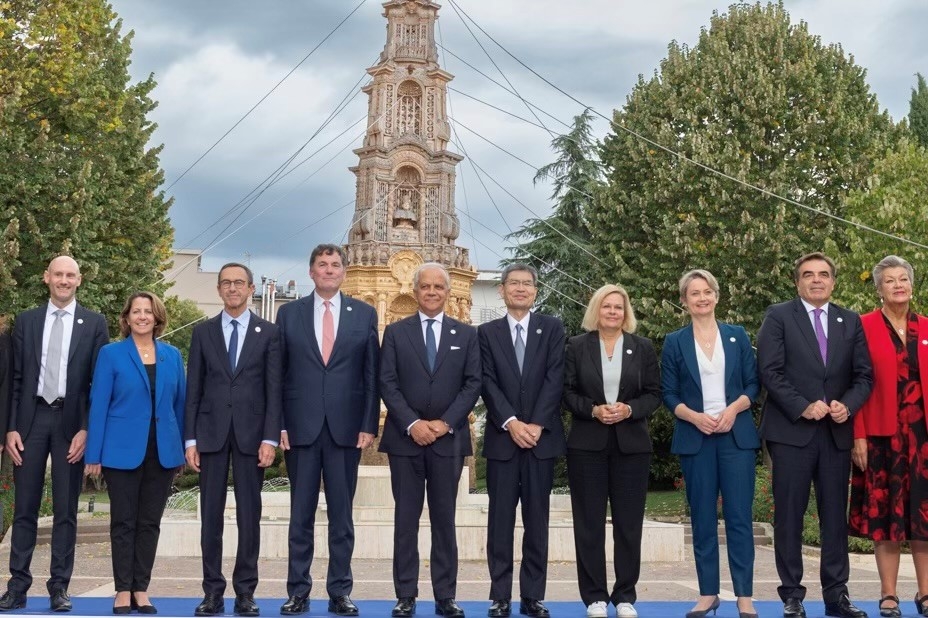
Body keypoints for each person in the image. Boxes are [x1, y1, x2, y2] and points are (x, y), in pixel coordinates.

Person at [757, 252, 873, 618]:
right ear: (798, 282)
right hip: (792, 431)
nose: (817, 280)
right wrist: (803, 405)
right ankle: (792, 595)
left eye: (824, 274)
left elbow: (864, 376)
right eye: (808, 274)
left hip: (836, 433)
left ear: (833, 282)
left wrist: (848, 405)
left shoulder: (849, 321)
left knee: (834, 517)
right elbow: (770, 372)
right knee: (789, 516)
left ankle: (836, 595)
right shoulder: (778, 316)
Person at [275, 244, 380, 617]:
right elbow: (278, 376)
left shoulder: (364, 315)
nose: (329, 270)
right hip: (299, 430)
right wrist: (279, 426)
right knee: (299, 515)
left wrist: (369, 424)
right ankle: (298, 591)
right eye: (322, 264)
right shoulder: (288, 315)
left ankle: (340, 591)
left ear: (344, 271)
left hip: (346, 431)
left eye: (336, 264)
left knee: (342, 517)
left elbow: (371, 375)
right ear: (311, 271)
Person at [0, 256, 109, 613]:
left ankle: (59, 588)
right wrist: (10, 428)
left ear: (79, 280)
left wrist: (87, 430)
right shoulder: (27, 321)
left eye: (70, 275)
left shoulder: (95, 324)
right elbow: (13, 379)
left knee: (65, 512)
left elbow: (99, 385)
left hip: (71, 425)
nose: (64, 280)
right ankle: (17, 587)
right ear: (46, 278)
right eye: (58, 274)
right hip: (29, 423)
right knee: (25, 510)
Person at [379, 263, 481, 618]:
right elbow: (386, 383)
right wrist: (412, 424)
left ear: (448, 292)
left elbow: (472, 384)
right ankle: (405, 594)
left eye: (439, 287)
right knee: (405, 520)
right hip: (405, 440)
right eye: (426, 286)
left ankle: (445, 596)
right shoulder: (395, 332)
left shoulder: (466, 335)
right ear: (416, 289)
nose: (433, 292)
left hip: (447, 441)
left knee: (444, 520)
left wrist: (444, 423)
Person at [184, 263, 282, 617]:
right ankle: (212, 592)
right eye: (226, 283)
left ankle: (245, 592)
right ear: (219, 290)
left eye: (239, 282)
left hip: (252, 436)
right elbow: (193, 389)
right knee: (210, 516)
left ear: (251, 288)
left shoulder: (269, 333)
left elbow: (275, 390)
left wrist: (270, 437)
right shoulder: (203, 332)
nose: (232, 288)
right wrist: (190, 440)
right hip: (209, 436)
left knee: (249, 515)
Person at [661, 270, 760, 618]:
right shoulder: (675, 341)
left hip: (736, 437)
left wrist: (733, 410)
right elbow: (669, 394)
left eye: (707, 292)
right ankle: (707, 594)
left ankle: (745, 596)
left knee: (739, 518)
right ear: (684, 301)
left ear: (717, 297)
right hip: (696, 439)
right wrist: (694, 416)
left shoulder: (737, 335)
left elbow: (753, 386)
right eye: (694, 293)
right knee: (702, 518)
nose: (701, 298)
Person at [84, 291, 186, 614]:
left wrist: (180, 450)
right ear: (126, 318)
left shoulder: (172, 355)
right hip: (120, 452)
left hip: (162, 452)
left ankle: (141, 588)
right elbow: (98, 405)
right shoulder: (111, 354)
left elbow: (180, 406)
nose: (142, 316)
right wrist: (93, 454)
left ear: (157, 318)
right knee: (123, 522)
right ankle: (122, 590)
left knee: (149, 523)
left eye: (148, 311)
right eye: (136, 311)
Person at [562, 284, 660, 618]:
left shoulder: (642, 347)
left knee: (628, 524)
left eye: (619, 307)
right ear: (596, 310)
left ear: (626, 312)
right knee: (588, 523)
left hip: (631, 446)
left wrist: (630, 409)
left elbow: (653, 393)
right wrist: (593, 409)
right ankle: (594, 597)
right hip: (587, 445)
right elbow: (567, 392)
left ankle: (625, 595)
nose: (613, 312)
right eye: (607, 307)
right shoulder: (576, 346)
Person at [479, 263, 566, 618]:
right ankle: (500, 595)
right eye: (513, 283)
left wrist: (536, 424)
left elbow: (555, 377)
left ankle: (533, 595)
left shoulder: (553, 328)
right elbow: (486, 381)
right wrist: (512, 422)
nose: (520, 289)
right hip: (503, 441)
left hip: (540, 441)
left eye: (527, 284)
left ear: (535, 290)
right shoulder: (485, 333)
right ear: (502, 290)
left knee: (537, 520)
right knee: (500, 521)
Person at [848, 255, 928, 618]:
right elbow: (854, 385)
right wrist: (857, 436)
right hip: (881, 437)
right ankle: (888, 594)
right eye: (890, 281)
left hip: (923, 438)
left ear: (912, 286)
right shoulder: (860, 327)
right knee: (888, 519)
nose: (898, 286)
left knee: (923, 520)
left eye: (904, 280)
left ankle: (926, 593)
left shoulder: (926, 328)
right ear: (879, 289)